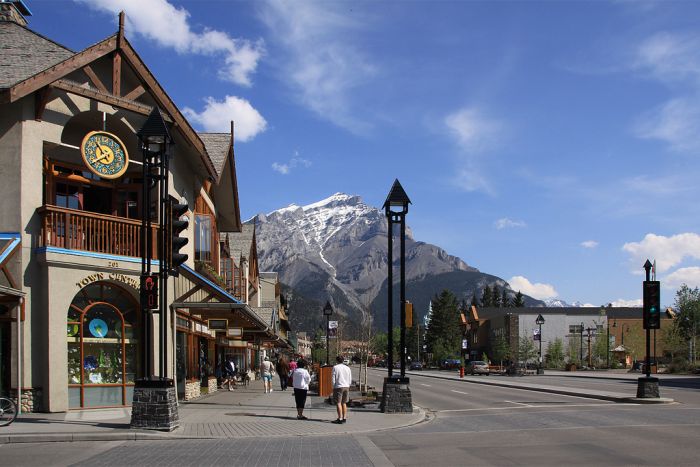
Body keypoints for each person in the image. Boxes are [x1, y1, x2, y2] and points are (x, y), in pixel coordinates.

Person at [331, 355, 352, 424]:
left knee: (338, 402)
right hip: (346, 386)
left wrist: (333, 386)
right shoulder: (347, 368)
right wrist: (348, 385)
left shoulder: (335, 367)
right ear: (343, 360)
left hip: (338, 386)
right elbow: (350, 378)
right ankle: (344, 418)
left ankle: (339, 418)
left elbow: (333, 378)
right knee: (344, 402)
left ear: (337, 360)